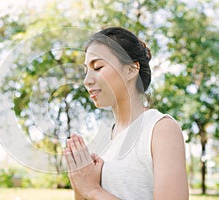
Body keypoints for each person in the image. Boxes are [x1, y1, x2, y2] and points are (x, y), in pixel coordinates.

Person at [63, 27, 189, 200]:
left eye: (98, 67)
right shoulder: (104, 141)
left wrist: (92, 190)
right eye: (86, 71)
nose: (87, 80)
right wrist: (80, 187)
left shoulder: (160, 129)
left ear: (131, 69)